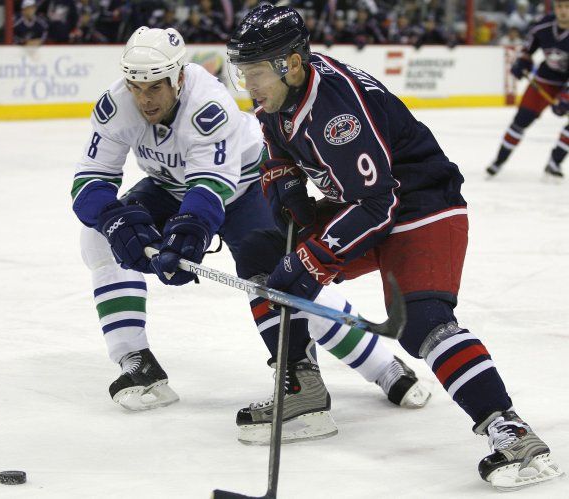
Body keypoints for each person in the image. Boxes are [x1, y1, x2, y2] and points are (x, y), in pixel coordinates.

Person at [227, 4, 563, 489]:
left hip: (421, 206)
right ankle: (301, 388)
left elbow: (379, 203)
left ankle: (510, 430)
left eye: (255, 73)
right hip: (364, 203)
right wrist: (283, 185)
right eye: (245, 74)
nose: (250, 87)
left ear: (292, 64)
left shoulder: (336, 110)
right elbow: (278, 150)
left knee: (422, 322)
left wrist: (313, 258)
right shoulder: (278, 98)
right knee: (260, 251)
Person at [71, 26, 430, 417]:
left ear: (177, 76)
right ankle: (137, 363)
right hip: (171, 186)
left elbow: (211, 186)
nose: (143, 99)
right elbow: (90, 178)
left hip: (243, 187)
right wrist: (114, 220)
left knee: (280, 277)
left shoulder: (208, 103)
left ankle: (381, 366)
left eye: (154, 87)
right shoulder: (117, 102)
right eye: (136, 86)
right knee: (98, 239)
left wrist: (186, 236)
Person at [487, 0, 569, 179]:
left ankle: (554, 163)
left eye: (567, 7)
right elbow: (527, 49)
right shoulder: (543, 26)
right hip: (545, 80)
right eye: (560, 7)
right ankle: (498, 161)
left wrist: (565, 98)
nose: (563, 11)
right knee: (520, 121)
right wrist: (522, 62)